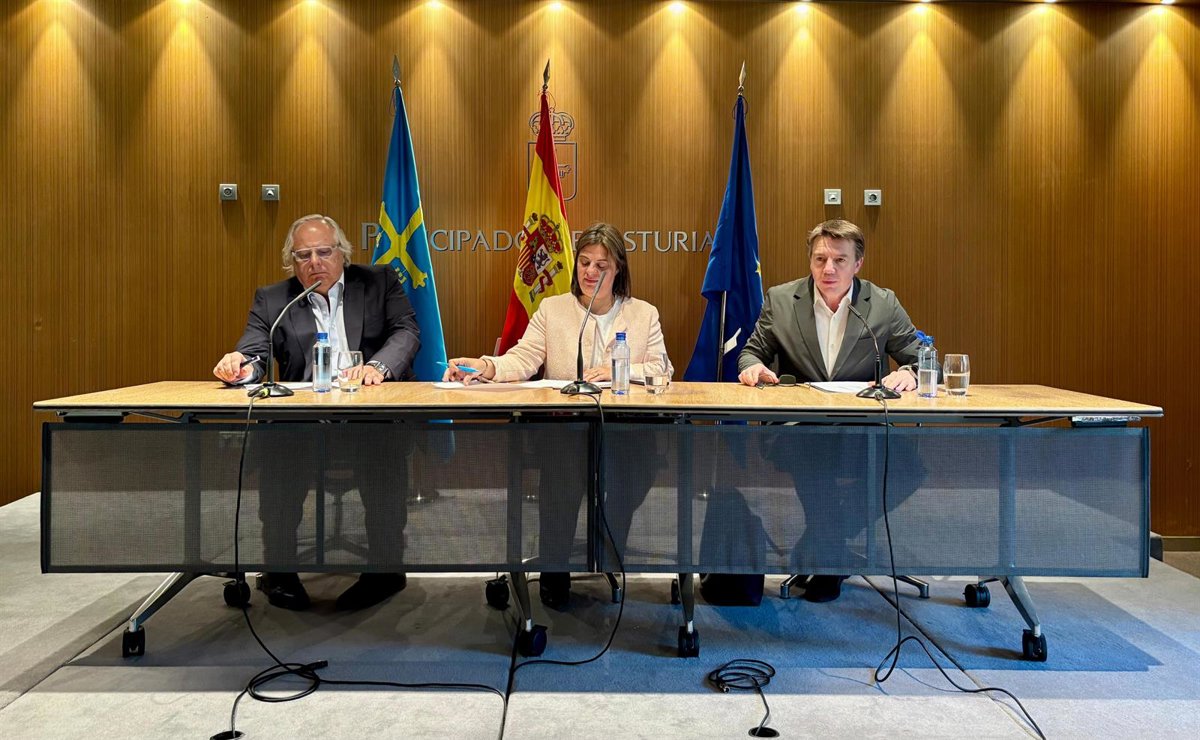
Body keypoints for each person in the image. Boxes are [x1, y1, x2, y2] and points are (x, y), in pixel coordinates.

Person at [443, 222, 671, 609]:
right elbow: (523, 358)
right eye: (584, 262)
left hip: (624, 430)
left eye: (601, 265)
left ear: (618, 270)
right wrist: (485, 365)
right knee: (563, 472)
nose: (590, 272)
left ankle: (608, 546)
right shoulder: (553, 309)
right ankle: (554, 564)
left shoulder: (643, 314)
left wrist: (619, 369)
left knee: (638, 467)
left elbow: (662, 369)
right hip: (565, 425)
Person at [213, 213, 420, 611]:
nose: (314, 263)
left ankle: (385, 569)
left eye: (324, 252)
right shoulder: (275, 298)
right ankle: (279, 570)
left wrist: (378, 367)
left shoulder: (378, 282)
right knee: (277, 445)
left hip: (369, 413)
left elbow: (406, 331)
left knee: (382, 449)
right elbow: (255, 350)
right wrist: (241, 365)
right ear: (291, 262)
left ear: (342, 253)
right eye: (303, 255)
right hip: (303, 419)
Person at [738, 218, 920, 603]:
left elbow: (919, 357)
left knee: (909, 468)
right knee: (813, 451)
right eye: (820, 259)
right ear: (810, 260)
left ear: (858, 264)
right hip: (797, 426)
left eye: (840, 260)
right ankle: (830, 560)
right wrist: (753, 368)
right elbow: (752, 351)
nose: (828, 269)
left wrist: (909, 372)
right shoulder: (782, 300)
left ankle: (824, 540)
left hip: (860, 425)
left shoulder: (882, 303)